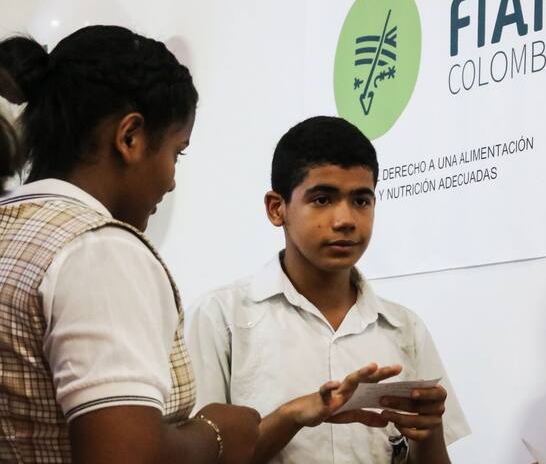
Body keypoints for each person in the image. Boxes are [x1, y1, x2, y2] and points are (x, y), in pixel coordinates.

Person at [0, 26, 261, 464]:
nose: (172, 179)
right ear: (131, 138)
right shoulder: (97, 253)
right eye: (177, 152)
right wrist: (217, 434)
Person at [187, 116, 470, 463]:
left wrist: (429, 433)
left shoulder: (404, 329)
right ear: (277, 209)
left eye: (361, 201)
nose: (345, 219)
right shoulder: (222, 319)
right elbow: (197, 458)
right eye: (322, 199)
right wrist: (292, 416)